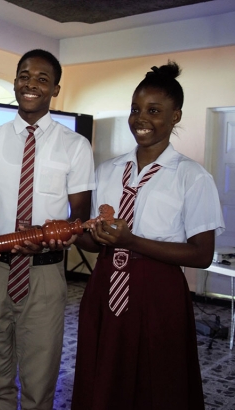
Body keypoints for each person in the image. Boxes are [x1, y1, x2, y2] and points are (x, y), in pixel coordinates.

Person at [71, 62, 224, 410]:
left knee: (156, 381)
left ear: (175, 117)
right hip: (106, 283)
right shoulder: (108, 169)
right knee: (105, 373)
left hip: (158, 291)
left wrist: (133, 242)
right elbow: (97, 242)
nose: (141, 119)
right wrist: (71, 234)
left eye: (154, 111)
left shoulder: (192, 177)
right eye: (136, 109)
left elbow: (202, 254)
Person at [0, 49, 95, 410]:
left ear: (55, 89)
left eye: (42, 78)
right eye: (25, 76)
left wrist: (50, 240)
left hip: (45, 276)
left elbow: (79, 216)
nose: (31, 84)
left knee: (40, 378)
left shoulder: (75, 146)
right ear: (15, 82)